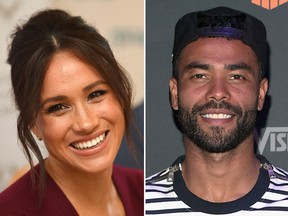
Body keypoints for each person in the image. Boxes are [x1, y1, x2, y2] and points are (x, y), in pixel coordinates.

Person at [146, 6, 288, 215]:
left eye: (236, 76)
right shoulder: (140, 203)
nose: (218, 92)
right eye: (200, 76)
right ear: (175, 93)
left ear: (260, 93)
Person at [0, 9, 143, 215]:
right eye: (58, 107)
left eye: (96, 94)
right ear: (33, 123)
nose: (86, 123)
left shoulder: (145, 192)